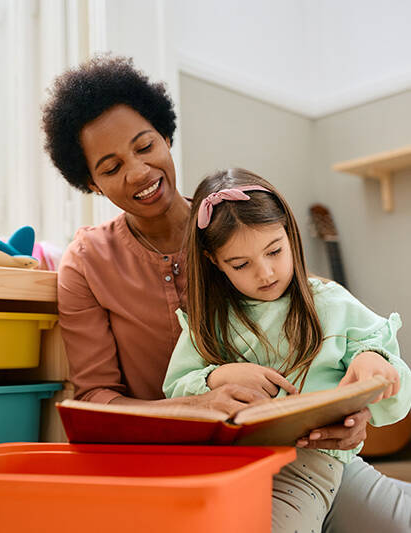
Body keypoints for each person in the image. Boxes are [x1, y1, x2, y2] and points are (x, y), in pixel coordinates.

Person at [42, 54, 411, 532]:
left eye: (145, 145)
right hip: (180, 470)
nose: (137, 172)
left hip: (309, 458)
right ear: (90, 181)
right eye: (111, 166)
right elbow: (95, 399)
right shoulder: (87, 262)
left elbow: (328, 330)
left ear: (166, 135)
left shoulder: (238, 225)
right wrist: (200, 402)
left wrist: (355, 408)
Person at [162, 168, 411, 532]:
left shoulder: (329, 301)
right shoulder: (208, 323)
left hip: (332, 460)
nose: (265, 273)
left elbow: (383, 362)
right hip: (259, 468)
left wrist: (374, 361)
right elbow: (176, 392)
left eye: (275, 251)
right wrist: (217, 376)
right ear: (214, 262)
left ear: (290, 235)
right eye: (241, 264)